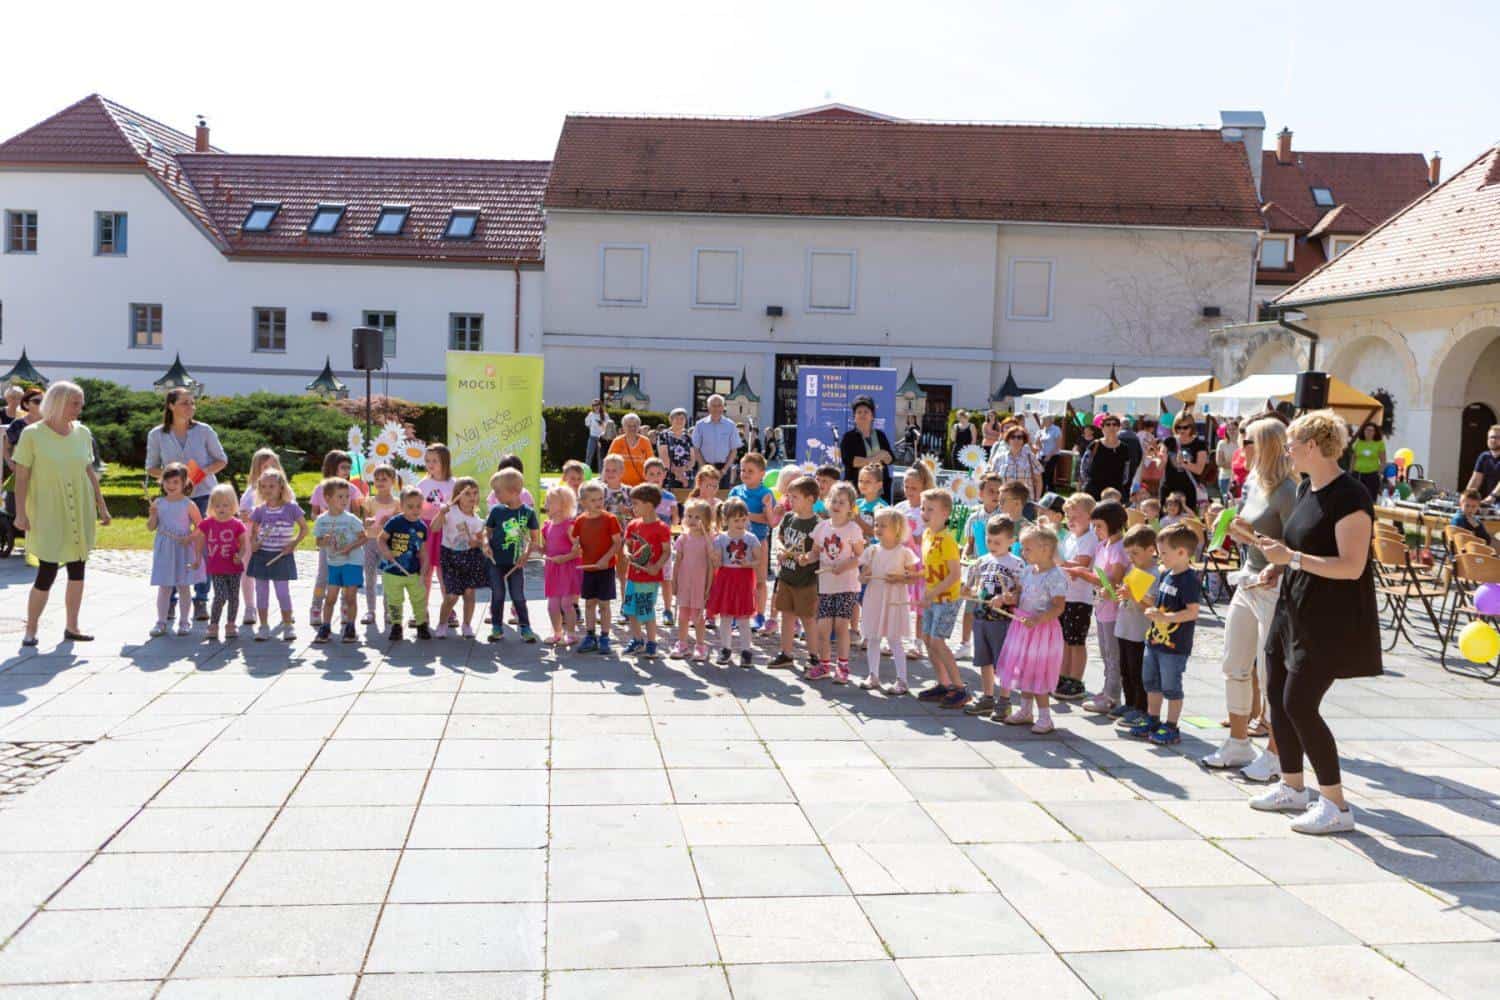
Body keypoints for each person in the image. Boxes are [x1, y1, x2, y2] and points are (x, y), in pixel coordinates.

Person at [1251, 410, 1381, 835]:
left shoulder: (1351, 496)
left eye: (1291, 444)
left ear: (1312, 446)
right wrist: (1279, 566)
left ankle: (1336, 805)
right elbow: (1303, 547)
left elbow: (1351, 566)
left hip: (1330, 618)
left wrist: (1292, 559)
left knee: (1300, 704)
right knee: (1276, 693)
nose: (1287, 451)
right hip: (1294, 607)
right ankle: (1292, 787)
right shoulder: (1307, 487)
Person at [1202, 415, 1298, 777]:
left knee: (1270, 672)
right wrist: (1232, 528)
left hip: (1273, 586)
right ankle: (1238, 743)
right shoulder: (1255, 482)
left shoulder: (1288, 491)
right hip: (1249, 579)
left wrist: (1253, 540)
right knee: (1234, 663)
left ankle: (1275, 752)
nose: (1240, 448)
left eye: (1247, 441)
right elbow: (1254, 536)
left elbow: (1294, 545)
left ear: (1266, 445)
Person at [13, 382, 111, 646]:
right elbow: (21, 477)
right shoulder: (32, 434)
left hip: (80, 507)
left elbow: (89, 471)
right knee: (47, 571)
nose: (80, 408)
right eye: (75, 403)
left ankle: (72, 626)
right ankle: (31, 629)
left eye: (81, 403)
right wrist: (20, 514)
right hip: (48, 510)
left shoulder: (82, 433)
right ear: (58, 402)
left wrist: (101, 505)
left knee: (78, 568)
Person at [145, 388, 228, 621]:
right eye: (184, 403)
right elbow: (151, 467)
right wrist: (173, 477)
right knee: (173, 544)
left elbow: (221, 460)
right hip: (173, 499)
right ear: (171, 406)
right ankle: (170, 602)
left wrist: (200, 473)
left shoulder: (204, 431)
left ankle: (201, 599)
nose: (190, 407)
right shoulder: (157, 434)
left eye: (192, 403)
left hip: (204, 495)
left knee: (202, 545)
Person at [1128, 522, 1202, 745]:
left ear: (1182, 553)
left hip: (1174, 645)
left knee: (1171, 686)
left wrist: (1165, 618)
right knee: (1151, 682)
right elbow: (1159, 603)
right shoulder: (1166, 574)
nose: (1160, 557)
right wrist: (1141, 598)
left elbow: (1192, 612)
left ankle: (1172, 726)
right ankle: (1153, 719)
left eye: (1164, 553)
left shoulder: (1189, 580)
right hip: (1154, 640)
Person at [997, 525, 1068, 733]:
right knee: (1024, 669)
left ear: (1045, 549)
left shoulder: (1056, 576)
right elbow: (1019, 595)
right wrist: (1009, 598)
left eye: (1027, 549)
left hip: (1041, 631)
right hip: (1023, 627)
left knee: (1038, 672)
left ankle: (1045, 717)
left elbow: (1058, 607)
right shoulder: (1028, 571)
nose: (1022, 552)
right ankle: (1026, 710)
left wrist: (1038, 619)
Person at [961, 515, 1023, 720]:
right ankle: (987, 698)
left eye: (998, 542)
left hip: (1002, 620)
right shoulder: (981, 561)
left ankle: (1004, 701)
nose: (992, 546)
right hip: (981, 617)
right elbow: (971, 586)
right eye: (989, 541)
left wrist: (1007, 598)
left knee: (1003, 662)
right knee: (984, 659)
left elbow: (1020, 591)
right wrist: (966, 590)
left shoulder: (1016, 564)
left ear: (1011, 541)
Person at [859, 506, 921, 693]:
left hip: (894, 600)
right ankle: (873, 675)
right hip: (874, 598)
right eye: (876, 524)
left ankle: (902, 680)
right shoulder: (871, 551)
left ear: (897, 529)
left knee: (894, 639)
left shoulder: (904, 552)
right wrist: (864, 576)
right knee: (873, 637)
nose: (877, 528)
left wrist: (900, 578)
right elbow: (862, 577)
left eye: (883, 525)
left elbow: (914, 577)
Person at [806, 483, 864, 681]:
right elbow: (815, 552)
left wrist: (845, 566)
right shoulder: (821, 527)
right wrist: (806, 558)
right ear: (827, 502)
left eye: (842, 502)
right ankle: (824, 666)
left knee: (840, 626)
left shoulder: (853, 529)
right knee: (823, 627)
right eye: (834, 501)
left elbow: (860, 556)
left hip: (847, 585)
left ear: (850, 507)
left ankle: (843, 666)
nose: (837, 505)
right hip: (826, 585)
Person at [768, 477, 823, 671]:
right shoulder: (789, 518)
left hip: (806, 580)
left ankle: (814, 656)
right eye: (789, 496)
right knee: (787, 615)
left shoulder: (818, 524)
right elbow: (779, 538)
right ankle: (786, 653)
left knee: (808, 618)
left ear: (810, 499)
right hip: (787, 576)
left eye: (795, 497)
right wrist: (781, 549)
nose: (790, 501)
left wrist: (808, 558)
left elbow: (818, 551)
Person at [247, 467, 307, 641]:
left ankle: (288, 625)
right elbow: (253, 531)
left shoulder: (291, 508)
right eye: (263, 486)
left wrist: (293, 543)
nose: (267, 490)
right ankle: (263, 626)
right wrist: (254, 543)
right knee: (261, 592)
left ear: (281, 487)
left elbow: (304, 529)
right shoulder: (259, 510)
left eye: (271, 486)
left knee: (282, 592)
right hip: (262, 555)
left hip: (282, 556)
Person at [148, 463, 206, 637]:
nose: (171, 486)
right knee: (164, 586)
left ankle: (184, 621)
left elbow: (201, 526)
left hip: (183, 547)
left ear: (184, 483)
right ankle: (161, 621)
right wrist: (152, 514)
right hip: (165, 547)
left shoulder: (188, 504)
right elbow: (151, 527)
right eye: (167, 481)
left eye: (175, 482)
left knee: (183, 586)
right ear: (162, 482)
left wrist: (190, 537)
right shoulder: (158, 503)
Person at [1082, 501, 1129, 714]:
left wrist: (1086, 577)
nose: (1096, 530)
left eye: (1099, 526)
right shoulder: (1103, 545)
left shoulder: (1119, 548)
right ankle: (1107, 689)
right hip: (1102, 606)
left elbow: (1115, 579)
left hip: (1113, 610)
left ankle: (1112, 696)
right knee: (1104, 652)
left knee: (1113, 654)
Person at [484, 468, 540, 643]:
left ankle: (525, 627)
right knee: (498, 594)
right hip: (495, 562)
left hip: (516, 563)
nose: (495, 494)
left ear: (514, 491)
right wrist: (486, 544)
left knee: (518, 596)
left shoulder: (528, 513)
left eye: (498, 491)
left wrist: (526, 555)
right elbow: (487, 532)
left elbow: (534, 539)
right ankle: (497, 626)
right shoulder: (496, 511)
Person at [311, 477, 368, 645]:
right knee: (330, 598)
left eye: (347, 496)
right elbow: (318, 542)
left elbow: (364, 538)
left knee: (350, 597)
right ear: (327, 498)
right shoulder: (322, 520)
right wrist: (324, 540)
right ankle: (325, 627)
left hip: (352, 562)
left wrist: (349, 547)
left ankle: (350, 627)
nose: (345, 500)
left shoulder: (351, 519)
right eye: (340, 496)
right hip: (334, 562)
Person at [707, 497, 761, 667]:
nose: (740, 523)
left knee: (744, 617)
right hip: (726, 579)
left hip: (744, 579)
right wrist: (714, 557)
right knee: (725, 617)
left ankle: (746, 651)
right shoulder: (720, 539)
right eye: (736, 520)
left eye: (743, 519)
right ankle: (726, 649)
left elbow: (759, 560)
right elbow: (717, 563)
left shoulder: (751, 538)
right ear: (726, 520)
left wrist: (749, 563)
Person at [1113, 525, 1158, 728]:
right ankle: (1130, 702)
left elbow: (1151, 604)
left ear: (1151, 550)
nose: (1131, 558)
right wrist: (1120, 594)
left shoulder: (1155, 573)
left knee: (1138, 671)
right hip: (1125, 626)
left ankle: (1141, 708)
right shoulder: (1133, 569)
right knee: (1125, 669)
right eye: (1128, 553)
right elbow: (1127, 596)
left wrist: (1132, 595)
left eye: (1135, 553)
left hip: (1140, 631)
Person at [430, 477, 487, 639]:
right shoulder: (450, 511)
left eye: (475, 493)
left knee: (469, 593)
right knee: (451, 596)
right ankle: (442, 623)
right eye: (467, 493)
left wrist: (477, 543)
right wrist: (441, 513)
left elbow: (481, 542)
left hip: (470, 557)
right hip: (450, 556)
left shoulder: (477, 520)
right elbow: (434, 528)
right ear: (458, 495)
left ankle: (467, 625)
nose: (472, 497)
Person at [1056, 493, 1099, 702]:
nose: (1070, 520)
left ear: (1090, 517)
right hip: (1065, 595)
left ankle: (1076, 679)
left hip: (1080, 598)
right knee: (1064, 640)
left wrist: (1056, 559)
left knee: (1076, 642)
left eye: (1076, 516)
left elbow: (1080, 564)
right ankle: (1063, 676)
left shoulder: (1089, 538)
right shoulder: (1069, 537)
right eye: (1068, 516)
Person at [621, 482, 671, 658]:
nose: (632, 508)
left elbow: (666, 551)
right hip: (632, 576)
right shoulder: (633, 525)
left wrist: (656, 567)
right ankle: (637, 640)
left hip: (649, 578)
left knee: (646, 611)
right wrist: (626, 553)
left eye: (635, 504)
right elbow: (626, 545)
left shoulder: (662, 528)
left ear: (649, 505)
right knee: (630, 610)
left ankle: (651, 643)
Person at [574, 480, 623, 655]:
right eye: (593, 500)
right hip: (588, 568)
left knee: (604, 604)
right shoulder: (580, 521)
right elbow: (577, 542)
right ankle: (590, 636)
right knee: (589, 604)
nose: (598, 503)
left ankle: (605, 636)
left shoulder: (610, 519)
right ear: (583, 502)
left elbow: (617, 543)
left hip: (605, 568)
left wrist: (606, 558)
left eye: (600, 499)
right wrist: (576, 548)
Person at [195, 483, 249, 642]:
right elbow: (199, 540)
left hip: (234, 568)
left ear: (233, 506)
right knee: (220, 596)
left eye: (225, 505)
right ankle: (213, 625)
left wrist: (240, 555)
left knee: (233, 597)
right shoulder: (207, 523)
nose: (221, 509)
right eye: (217, 505)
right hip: (216, 568)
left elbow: (244, 544)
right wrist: (197, 558)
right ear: (212, 506)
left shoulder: (237, 524)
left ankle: (231, 624)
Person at [730, 453, 778, 631]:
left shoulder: (766, 494)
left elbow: (768, 520)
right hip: (737, 543)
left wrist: (746, 515)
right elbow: (728, 515)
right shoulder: (736, 492)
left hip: (759, 542)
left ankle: (759, 614)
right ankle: (736, 613)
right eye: (743, 470)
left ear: (762, 473)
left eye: (751, 471)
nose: (745, 474)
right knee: (737, 580)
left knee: (760, 580)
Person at [377, 487, 431, 641]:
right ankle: (396, 626)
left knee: (419, 599)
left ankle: (421, 625)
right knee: (394, 600)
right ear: (401, 506)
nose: (415, 510)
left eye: (418, 506)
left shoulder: (422, 527)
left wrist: (424, 570)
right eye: (410, 506)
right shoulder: (395, 522)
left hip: (413, 572)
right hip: (392, 571)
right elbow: (381, 539)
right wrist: (386, 552)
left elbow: (423, 551)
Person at [671, 499, 714, 661]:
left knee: (698, 616)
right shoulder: (683, 538)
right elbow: (677, 562)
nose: (692, 520)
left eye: (697, 517)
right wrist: (674, 581)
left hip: (699, 583)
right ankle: (682, 643)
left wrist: (708, 586)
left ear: (706, 520)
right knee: (682, 615)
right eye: (689, 516)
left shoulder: (708, 540)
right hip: (684, 582)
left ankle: (701, 645)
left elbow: (711, 565)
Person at [540, 485, 582, 645]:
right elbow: (546, 549)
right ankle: (557, 633)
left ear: (564, 505)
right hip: (553, 569)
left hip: (568, 569)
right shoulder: (547, 526)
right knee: (552, 605)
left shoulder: (569, 526)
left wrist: (564, 558)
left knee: (566, 603)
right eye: (546, 501)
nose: (546, 504)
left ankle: (571, 634)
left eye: (550, 501)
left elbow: (578, 551)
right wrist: (537, 549)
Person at [837, 395, 895, 503]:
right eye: (859, 412)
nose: (862, 415)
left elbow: (890, 459)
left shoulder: (880, 435)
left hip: (881, 491)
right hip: (857, 489)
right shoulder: (849, 437)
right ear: (854, 417)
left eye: (866, 412)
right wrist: (878, 457)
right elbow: (852, 461)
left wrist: (870, 459)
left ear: (872, 416)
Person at [691, 394, 743, 488]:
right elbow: (696, 448)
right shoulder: (700, 425)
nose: (716, 408)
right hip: (705, 468)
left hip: (724, 469)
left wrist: (724, 470)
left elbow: (734, 450)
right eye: (713, 405)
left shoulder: (730, 425)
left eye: (719, 405)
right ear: (708, 407)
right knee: (704, 496)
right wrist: (704, 467)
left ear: (723, 407)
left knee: (722, 496)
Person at [1161, 419, 1209, 510]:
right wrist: (1160, 458)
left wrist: (1184, 464)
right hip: (1169, 488)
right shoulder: (1168, 441)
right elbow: (1159, 466)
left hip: (1189, 489)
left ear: (1192, 427)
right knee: (1166, 516)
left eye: (1185, 427)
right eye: (1178, 427)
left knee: (1188, 517)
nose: (1181, 430)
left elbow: (1199, 470)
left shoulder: (1199, 444)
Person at [1081, 415, 1131, 499]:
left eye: (1115, 424)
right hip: (1094, 490)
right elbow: (1084, 467)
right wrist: (1088, 482)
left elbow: (1126, 471)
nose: (1111, 427)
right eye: (1108, 424)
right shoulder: (1095, 445)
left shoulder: (1124, 448)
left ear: (1119, 428)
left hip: (1115, 491)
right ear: (1102, 428)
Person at [989, 425, 1044, 501]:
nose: (1016, 440)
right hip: (1005, 501)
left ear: (1023, 440)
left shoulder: (1030, 457)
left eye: (1019, 437)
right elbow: (993, 481)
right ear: (1008, 439)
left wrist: (1037, 498)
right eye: (1013, 437)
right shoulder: (999, 458)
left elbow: (1039, 480)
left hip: (1026, 501)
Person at [604, 412, 652, 488]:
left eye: (635, 426)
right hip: (620, 486)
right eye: (629, 426)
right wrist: (605, 481)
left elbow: (651, 463)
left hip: (641, 486)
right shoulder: (617, 441)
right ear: (623, 427)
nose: (632, 428)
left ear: (639, 427)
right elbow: (608, 462)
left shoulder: (645, 441)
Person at [658, 408, 695, 489]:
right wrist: (679, 475)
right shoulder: (664, 435)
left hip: (687, 476)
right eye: (676, 418)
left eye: (682, 418)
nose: (679, 421)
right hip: (670, 476)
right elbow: (664, 457)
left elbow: (692, 459)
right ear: (671, 420)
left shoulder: (688, 436)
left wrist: (684, 470)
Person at [1350, 422, 1386, 502]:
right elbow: (1353, 458)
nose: (1369, 432)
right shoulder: (1359, 443)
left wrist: (1380, 473)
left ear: (1375, 432)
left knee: (1370, 498)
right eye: (1367, 430)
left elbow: (1383, 461)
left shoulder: (1379, 444)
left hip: (1372, 475)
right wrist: (1351, 471)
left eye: (1371, 430)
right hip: (1358, 474)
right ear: (1363, 431)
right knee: (1355, 497)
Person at [1467, 424, 1500, 505]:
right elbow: (1476, 480)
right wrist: (1466, 496)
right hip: (1492, 503)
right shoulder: (1484, 457)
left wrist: (1492, 496)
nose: (1493, 440)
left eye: (1497, 437)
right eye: (1491, 437)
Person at [1215, 419, 1240, 501]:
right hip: (1225, 477)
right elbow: (1219, 462)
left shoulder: (1242, 443)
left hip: (1239, 478)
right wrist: (1237, 465)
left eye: (1234, 429)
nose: (1231, 431)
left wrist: (1229, 464)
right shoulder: (1222, 443)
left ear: (1238, 429)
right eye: (1229, 429)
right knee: (1227, 503)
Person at [584, 399, 610, 472]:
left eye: (598, 404)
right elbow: (587, 424)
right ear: (592, 406)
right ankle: (585, 473)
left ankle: (601, 474)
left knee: (600, 457)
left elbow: (609, 426)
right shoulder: (591, 414)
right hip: (592, 437)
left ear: (600, 405)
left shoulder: (605, 415)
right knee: (589, 456)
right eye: (594, 405)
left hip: (601, 438)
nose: (596, 406)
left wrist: (603, 425)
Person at [1038, 416, 1064, 487]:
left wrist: (1049, 456)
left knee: (1046, 475)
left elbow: (1058, 445)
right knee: (1044, 476)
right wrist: (1038, 435)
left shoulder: (1056, 429)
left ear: (1050, 420)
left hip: (1053, 455)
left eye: (1044, 419)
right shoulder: (1042, 430)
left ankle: (1045, 491)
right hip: (1042, 455)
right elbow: (1038, 444)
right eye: (1042, 419)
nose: (1042, 421)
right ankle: (1048, 490)